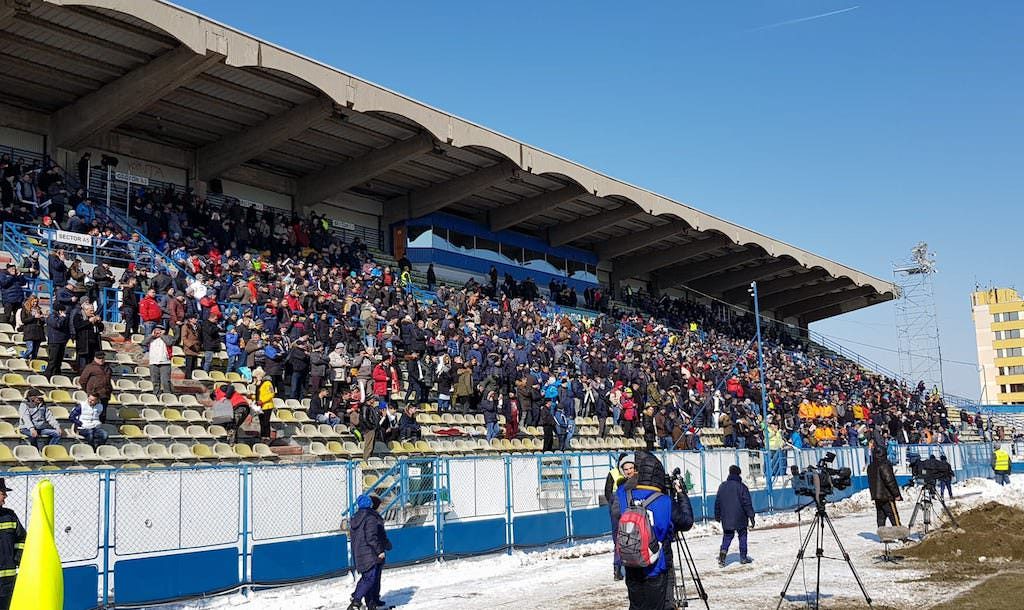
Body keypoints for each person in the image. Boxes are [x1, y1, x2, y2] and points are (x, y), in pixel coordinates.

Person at [616, 450, 694, 610]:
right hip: (655, 566)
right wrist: (681, 495)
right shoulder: (664, 501)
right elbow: (686, 522)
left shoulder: (625, 495)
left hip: (631, 563)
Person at [348, 493, 392, 610]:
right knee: (370, 578)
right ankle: (356, 600)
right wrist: (380, 550)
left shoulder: (355, 517)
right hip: (370, 552)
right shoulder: (371, 517)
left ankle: (370, 602)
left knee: (370, 577)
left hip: (359, 552)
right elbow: (372, 536)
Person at [714, 464, 755, 566]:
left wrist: (717, 515)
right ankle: (743, 557)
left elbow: (717, 502)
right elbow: (747, 503)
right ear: (739, 474)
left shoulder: (722, 486)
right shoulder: (742, 487)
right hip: (740, 517)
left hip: (726, 518)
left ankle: (722, 557)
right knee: (742, 535)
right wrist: (751, 516)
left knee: (727, 536)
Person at [605, 452, 636, 581]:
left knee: (620, 540)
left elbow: (608, 493)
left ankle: (620, 568)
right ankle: (620, 568)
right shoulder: (613, 473)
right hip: (619, 511)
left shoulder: (618, 474)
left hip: (617, 510)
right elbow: (607, 492)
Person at [0, 478, 26, 610]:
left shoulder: (10, 515)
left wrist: (17, 558)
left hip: (7, 582)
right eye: (2, 492)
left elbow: (22, 538)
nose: (5, 496)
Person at [867, 447, 902, 527]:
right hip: (887, 495)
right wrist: (896, 494)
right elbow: (890, 481)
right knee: (893, 516)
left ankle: (883, 536)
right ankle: (901, 535)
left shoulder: (871, 466)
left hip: (877, 495)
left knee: (881, 517)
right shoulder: (884, 465)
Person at [79, 352, 114, 423]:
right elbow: (82, 380)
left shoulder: (108, 368)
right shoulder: (90, 367)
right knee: (93, 413)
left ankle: (100, 429)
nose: (101, 360)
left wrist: (109, 389)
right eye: (99, 358)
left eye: (102, 358)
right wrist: (89, 391)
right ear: (95, 358)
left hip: (105, 394)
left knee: (103, 414)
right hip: (94, 395)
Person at [143, 325, 174, 394]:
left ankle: (168, 395)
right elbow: (144, 343)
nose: (157, 332)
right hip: (153, 362)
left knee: (165, 381)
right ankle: (156, 394)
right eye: (156, 330)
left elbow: (169, 343)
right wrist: (152, 336)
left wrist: (162, 335)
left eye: (159, 330)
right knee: (155, 381)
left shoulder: (168, 337)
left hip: (165, 362)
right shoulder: (151, 338)